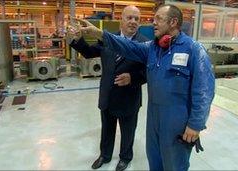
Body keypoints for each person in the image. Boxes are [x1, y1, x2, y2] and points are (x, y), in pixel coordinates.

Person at [69, 4, 215, 171]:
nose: (153, 23)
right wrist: (99, 33)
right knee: (154, 159)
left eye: (158, 19)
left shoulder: (193, 49)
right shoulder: (153, 48)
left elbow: (204, 90)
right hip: (153, 117)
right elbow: (127, 46)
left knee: (174, 163)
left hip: (177, 119)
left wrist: (196, 124)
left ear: (173, 22)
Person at [67, 5, 148, 171]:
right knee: (107, 129)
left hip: (129, 97)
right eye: (129, 18)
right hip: (108, 95)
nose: (133, 22)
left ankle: (125, 157)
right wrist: (76, 40)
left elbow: (149, 72)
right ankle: (105, 155)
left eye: (136, 19)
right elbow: (90, 53)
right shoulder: (108, 38)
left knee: (128, 131)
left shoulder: (145, 44)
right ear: (121, 20)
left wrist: (133, 78)